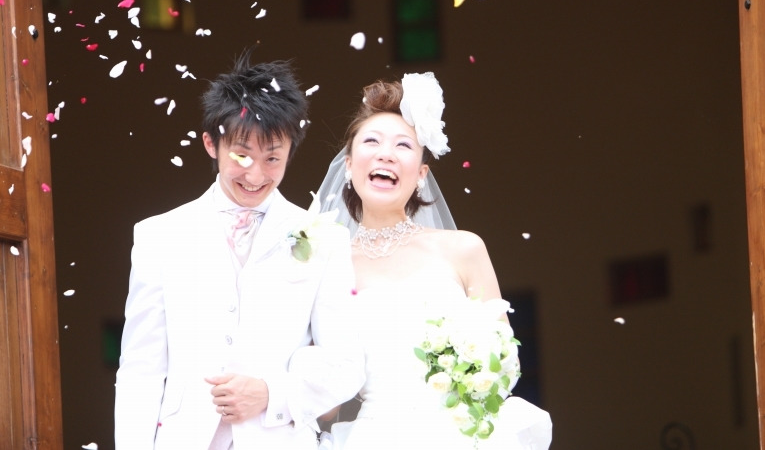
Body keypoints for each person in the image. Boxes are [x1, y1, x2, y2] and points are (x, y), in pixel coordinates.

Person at [114, 50, 365, 450]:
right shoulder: (159, 236)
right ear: (211, 143)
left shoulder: (324, 239)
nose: (255, 174)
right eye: (241, 155)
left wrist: (271, 395)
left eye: (272, 158)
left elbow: (347, 365)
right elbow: (141, 368)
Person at [316, 72, 552, 449]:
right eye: (372, 141)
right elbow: (326, 402)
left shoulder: (464, 249)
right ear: (348, 164)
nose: (386, 154)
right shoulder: (327, 267)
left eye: (403, 145)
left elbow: (506, 365)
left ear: (421, 173)